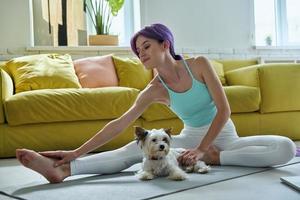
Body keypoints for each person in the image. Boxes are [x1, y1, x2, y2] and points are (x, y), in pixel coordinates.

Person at [16, 23, 296, 184]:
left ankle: (219, 159)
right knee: (130, 150)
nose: (141, 54)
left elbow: (224, 111)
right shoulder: (154, 90)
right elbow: (119, 125)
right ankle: (64, 169)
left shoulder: (198, 65)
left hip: (226, 139)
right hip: (189, 140)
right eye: (138, 51)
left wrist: (204, 151)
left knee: (284, 147)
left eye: (146, 46)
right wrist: (75, 152)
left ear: (165, 44)